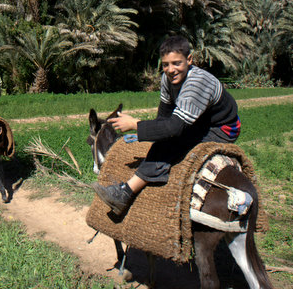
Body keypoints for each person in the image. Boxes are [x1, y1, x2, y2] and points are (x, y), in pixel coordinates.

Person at [93, 36, 240, 216]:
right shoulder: (167, 80)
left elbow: (174, 128)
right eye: (165, 64)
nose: (171, 70)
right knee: (164, 139)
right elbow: (164, 117)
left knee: (173, 143)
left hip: (220, 127)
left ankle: (125, 193)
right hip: (198, 121)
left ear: (190, 60)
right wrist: (152, 131)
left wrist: (136, 125)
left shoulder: (197, 83)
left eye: (176, 63)